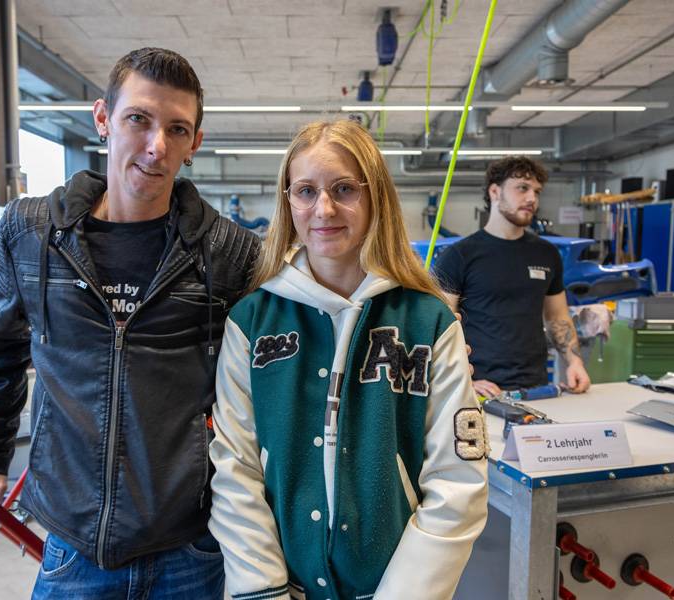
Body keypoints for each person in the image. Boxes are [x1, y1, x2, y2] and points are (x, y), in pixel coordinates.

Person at [0, 47, 260, 598]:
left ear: (194, 144)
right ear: (103, 119)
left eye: (177, 129)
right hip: (74, 543)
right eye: (139, 119)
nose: (156, 146)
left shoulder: (229, 252)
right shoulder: (28, 233)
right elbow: (0, 348)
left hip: (190, 544)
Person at [208, 120, 489, 600]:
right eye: (305, 191)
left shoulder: (429, 322)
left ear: (375, 196)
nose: (324, 208)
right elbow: (236, 469)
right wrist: (262, 590)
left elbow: (458, 482)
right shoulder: (251, 322)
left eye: (344, 189)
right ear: (287, 200)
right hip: (282, 590)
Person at [433, 156, 591, 399]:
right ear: (495, 192)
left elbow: (557, 316)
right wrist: (464, 379)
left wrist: (574, 362)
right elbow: (440, 327)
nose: (532, 199)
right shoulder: (459, 255)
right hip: (478, 391)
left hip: (536, 388)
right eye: (522, 188)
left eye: (537, 192)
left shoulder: (547, 254)